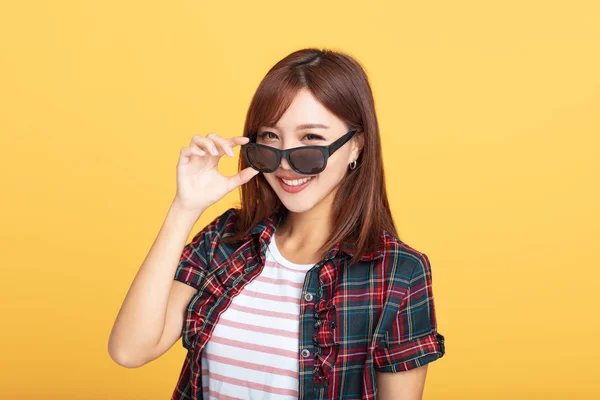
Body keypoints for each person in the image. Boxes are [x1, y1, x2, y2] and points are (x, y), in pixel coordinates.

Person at [108, 48, 445, 400]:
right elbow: (130, 350)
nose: (285, 163)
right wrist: (184, 208)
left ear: (356, 146)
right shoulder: (225, 239)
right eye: (270, 138)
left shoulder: (399, 272)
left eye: (311, 139)